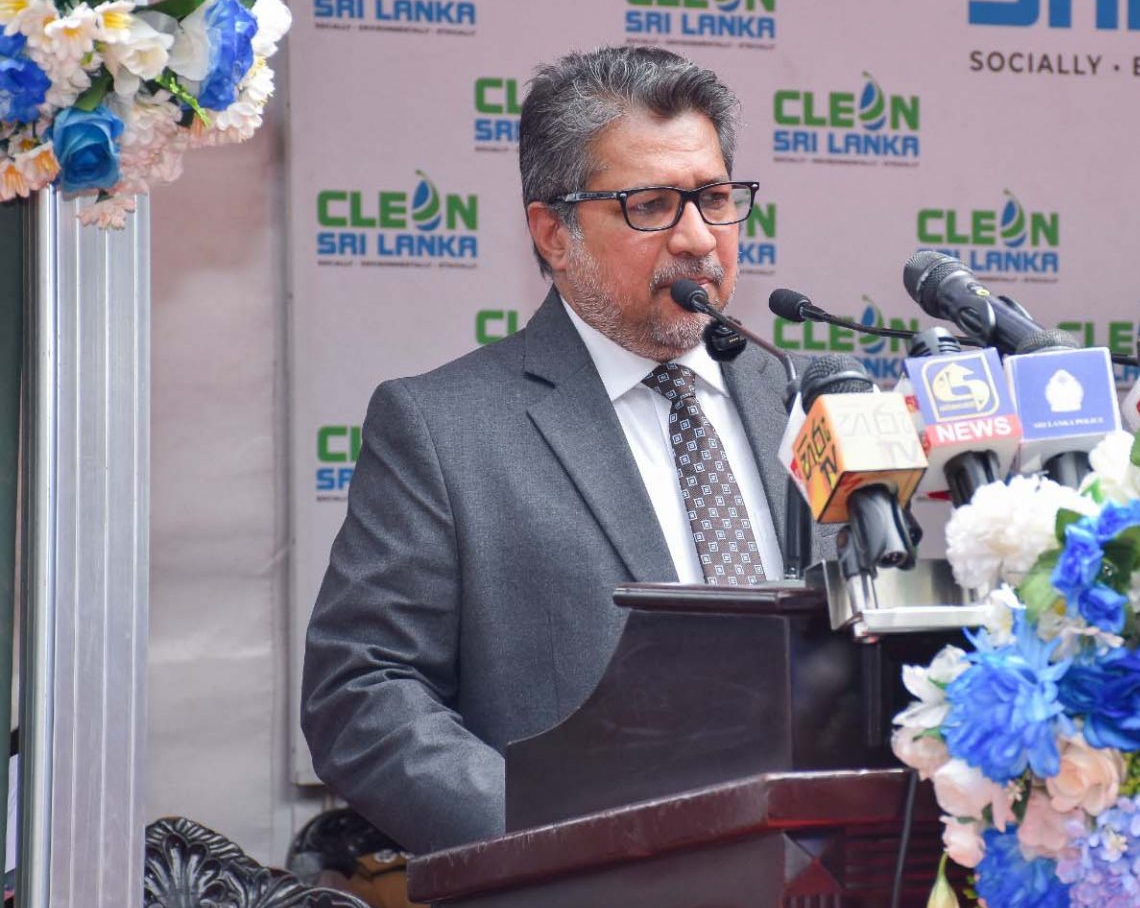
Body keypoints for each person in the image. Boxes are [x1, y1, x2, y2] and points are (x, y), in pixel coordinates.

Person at [301, 46, 818, 853]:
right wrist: (563, 843)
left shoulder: (806, 396)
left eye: (716, 198)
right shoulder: (442, 427)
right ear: (554, 234)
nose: (697, 238)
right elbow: (361, 694)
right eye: (652, 205)